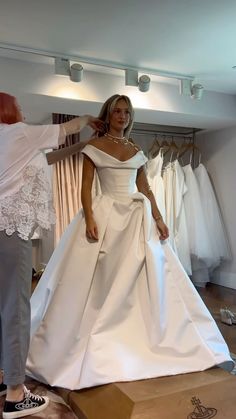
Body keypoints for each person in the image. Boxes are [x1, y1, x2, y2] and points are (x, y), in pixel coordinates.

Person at [26, 94, 233, 391]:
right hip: (107, 215)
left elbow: (145, 186)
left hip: (137, 217)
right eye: (116, 111)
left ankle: (148, 335)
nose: (122, 116)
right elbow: (86, 187)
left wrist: (160, 218)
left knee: (151, 278)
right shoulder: (94, 146)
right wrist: (90, 217)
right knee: (101, 280)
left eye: (126, 111)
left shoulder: (136, 149)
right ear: (107, 115)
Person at [0, 92, 103, 418]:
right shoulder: (20, 133)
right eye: (19, 107)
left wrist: (84, 147)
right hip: (10, 230)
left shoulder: (11, 144)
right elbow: (67, 128)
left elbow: (49, 159)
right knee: (16, 307)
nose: (24, 111)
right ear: (9, 110)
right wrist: (87, 119)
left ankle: (5, 376)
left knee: (3, 307)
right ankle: (16, 393)